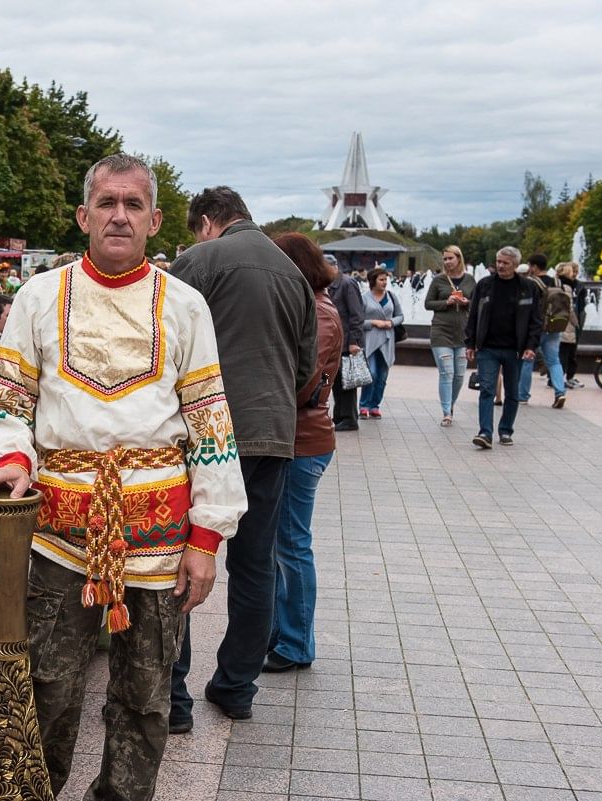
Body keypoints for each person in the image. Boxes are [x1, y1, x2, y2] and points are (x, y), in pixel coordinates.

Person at [0, 154, 246, 800]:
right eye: (108, 202)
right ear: (83, 215)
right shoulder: (39, 297)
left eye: (134, 204)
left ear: (154, 221)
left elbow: (211, 424)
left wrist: (207, 539)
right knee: (48, 690)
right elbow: (5, 400)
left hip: (162, 543)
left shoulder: (186, 307)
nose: (120, 215)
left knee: (145, 702)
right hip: (59, 538)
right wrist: (11, 457)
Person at [168, 185, 316, 730]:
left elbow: (161, 343)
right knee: (256, 566)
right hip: (272, 437)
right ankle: (236, 687)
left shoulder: (200, 260)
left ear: (208, 222)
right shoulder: (293, 273)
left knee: (176, 557)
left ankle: (173, 699)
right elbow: (305, 368)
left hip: (203, 435)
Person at [266, 233, 342, 672]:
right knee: (282, 545)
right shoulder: (313, 304)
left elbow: (303, 382)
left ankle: (296, 644)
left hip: (303, 440)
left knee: (293, 545)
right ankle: (282, 635)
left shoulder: (319, 310)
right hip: (298, 439)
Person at [465, 246, 544, 449]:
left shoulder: (528, 287)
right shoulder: (484, 285)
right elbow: (473, 315)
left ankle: (506, 430)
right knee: (487, 390)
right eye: (498, 261)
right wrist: (470, 343)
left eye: (505, 263)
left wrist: (531, 346)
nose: (500, 265)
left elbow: (536, 320)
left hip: (515, 349)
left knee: (512, 393)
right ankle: (485, 432)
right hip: (488, 348)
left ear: (515, 265)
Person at [424, 245, 477, 426]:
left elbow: (478, 305)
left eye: (450, 258)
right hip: (441, 332)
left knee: (459, 375)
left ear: (459, 259)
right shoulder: (439, 280)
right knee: (447, 372)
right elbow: (428, 303)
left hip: (463, 333)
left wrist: (466, 302)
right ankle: (446, 412)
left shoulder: (470, 280)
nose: (447, 262)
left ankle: (451, 405)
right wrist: (446, 302)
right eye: (444, 259)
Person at [518, 254, 567, 408]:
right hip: (554, 326)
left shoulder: (531, 282)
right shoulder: (558, 282)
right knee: (554, 361)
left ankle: (523, 395)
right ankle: (560, 392)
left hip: (536, 328)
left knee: (527, 360)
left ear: (534, 267)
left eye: (529, 266)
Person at [359, 268, 402, 418]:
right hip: (370, 341)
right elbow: (358, 321)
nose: (385, 283)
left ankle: (375, 405)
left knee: (382, 377)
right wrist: (374, 322)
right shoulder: (364, 298)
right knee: (372, 373)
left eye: (386, 280)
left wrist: (391, 322)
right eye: (381, 280)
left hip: (387, 340)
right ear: (373, 281)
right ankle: (364, 405)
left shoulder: (391, 296)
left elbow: (400, 316)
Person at [327, 256, 364, 432]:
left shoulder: (347, 284)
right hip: (337, 343)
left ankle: (349, 419)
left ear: (334, 267)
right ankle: (340, 416)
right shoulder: (331, 285)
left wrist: (354, 341)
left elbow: (356, 314)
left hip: (348, 343)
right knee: (338, 383)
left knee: (347, 383)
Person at [555, 261, 585, 387]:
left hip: (557, 323)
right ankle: (558, 382)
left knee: (560, 354)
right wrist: (576, 323)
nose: (575, 274)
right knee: (563, 354)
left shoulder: (558, 283)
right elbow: (570, 309)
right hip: (566, 325)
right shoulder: (566, 287)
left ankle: (558, 379)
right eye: (573, 271)